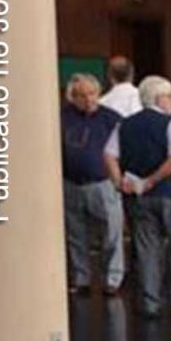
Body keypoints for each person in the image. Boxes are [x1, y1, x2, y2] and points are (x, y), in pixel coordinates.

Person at [106, 75, 171, 321]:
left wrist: (119, 182)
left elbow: (109, 155)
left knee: (146, 249)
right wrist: (153, 179)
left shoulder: (124, 125)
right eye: (170, 96)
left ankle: (149, 302)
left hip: (138, 196)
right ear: (160, 98)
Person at [60, 73, 126, 295]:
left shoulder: (112, 119)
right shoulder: (63, 117)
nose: (88, 100)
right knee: (75, 234)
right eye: (81, 95)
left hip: (103, 183)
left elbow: (123, 151)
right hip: (71, 183)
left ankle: (113, 279)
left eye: (92, 94)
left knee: (111, 232)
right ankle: (81, 279)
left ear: (99, 94)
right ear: (72, 97)